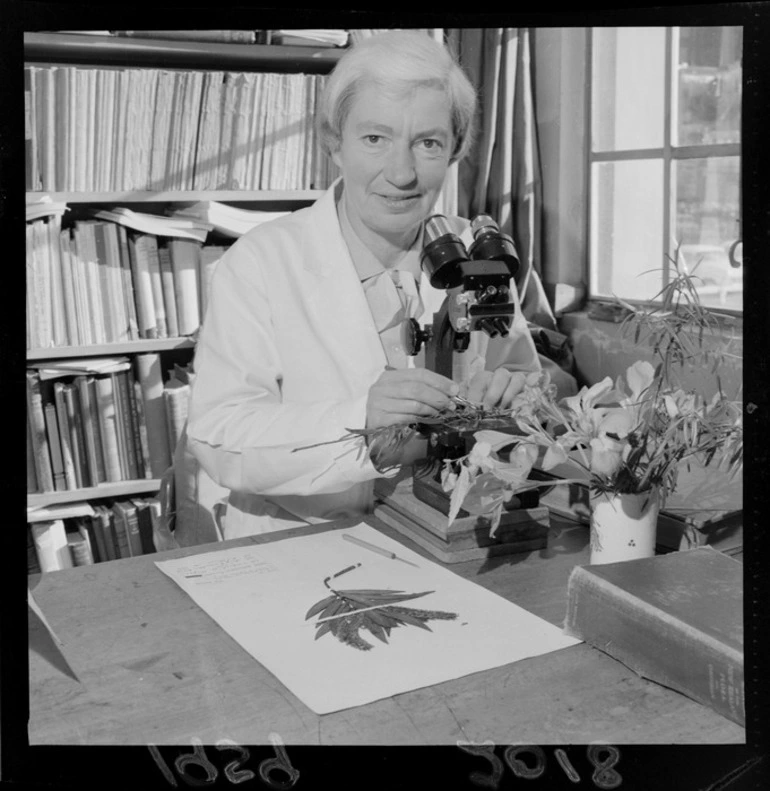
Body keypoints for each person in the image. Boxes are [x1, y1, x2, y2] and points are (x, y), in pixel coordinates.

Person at [186, 30, 542, 538]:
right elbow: (218, 437)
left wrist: (510, 401)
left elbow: (525, 381)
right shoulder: (262, 261)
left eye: (428, 143)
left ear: (456, 149)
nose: (401, 173)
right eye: (375, 138)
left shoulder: (475, 251)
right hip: (300, 536)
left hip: (448, 528)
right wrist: (360, 422)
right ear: (335, 142)